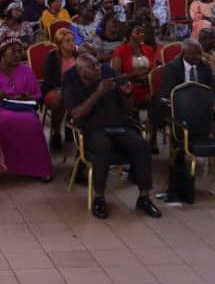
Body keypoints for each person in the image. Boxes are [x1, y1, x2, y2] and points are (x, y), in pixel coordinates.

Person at [63, 54, 160, 219]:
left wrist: (127, 95)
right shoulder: (73, 88)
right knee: (103, 146)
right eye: (92, 67)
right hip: (92, 131)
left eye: (98, 65)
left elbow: (129, 111)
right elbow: (77, 114)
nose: (98, 69)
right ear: (80, 72)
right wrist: (98, 93)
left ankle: (144, 197)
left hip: (119, 128)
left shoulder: (110, 83)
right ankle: (99, 198)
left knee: (142, 145)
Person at [0, 38, 52, 180]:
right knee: (4, 119)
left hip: (21, 106)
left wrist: (25, 96)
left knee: (31, 121)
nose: (18, 55)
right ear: (2, 52)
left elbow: (36, 94)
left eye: (20, 51)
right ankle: (5, 167)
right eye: (13, 51)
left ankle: (40, 169)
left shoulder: (26, 70)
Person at [110, 23, 156, 108]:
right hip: (130, 87)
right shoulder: (120, 50)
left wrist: (148, 76)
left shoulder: (148, 49)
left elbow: (154, 69)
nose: (141, 34)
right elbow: (116, 77)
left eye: (142, 32)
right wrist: (134, 74)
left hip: (149, 85)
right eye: (138, 32)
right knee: (155, 101)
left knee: (162, 97)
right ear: (129, 34)